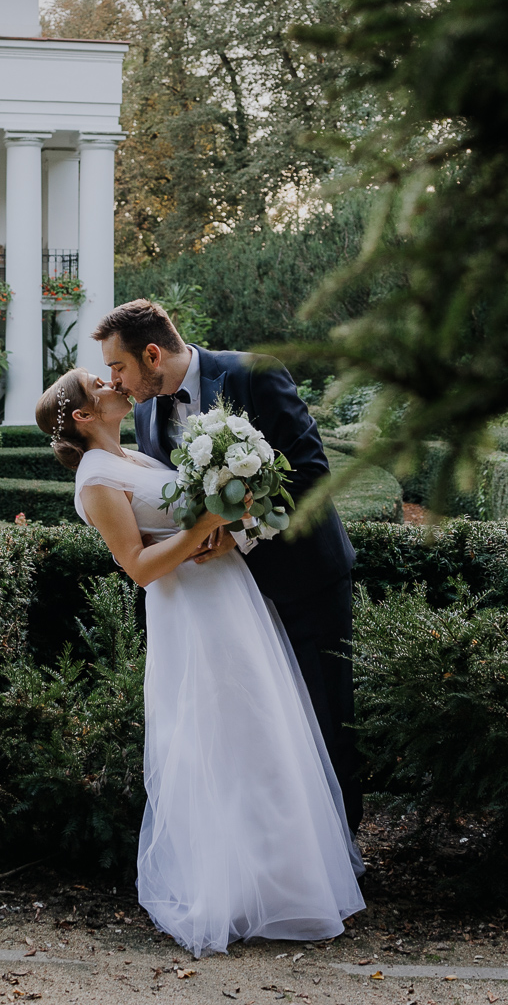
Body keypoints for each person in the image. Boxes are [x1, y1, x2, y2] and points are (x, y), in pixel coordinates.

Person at [37, 368, 364, 959]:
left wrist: (230, 520)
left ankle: (285, 882)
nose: (111, 383)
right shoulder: (95, 479)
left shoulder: (134, 455)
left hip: (230, 597)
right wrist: (208, 523)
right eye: (96, 383)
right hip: (190, 613)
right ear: (83, 416)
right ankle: (229, 891)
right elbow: (137, 566)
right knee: (219, 738)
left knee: (261, 732)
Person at [92, 299, 363, 832]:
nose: (114, 380)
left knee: (324, 715)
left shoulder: (252, 374)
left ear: (153, 355)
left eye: (118, 366)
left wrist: (236, 530)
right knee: (264, 728)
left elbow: (311, 474)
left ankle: (341, 848)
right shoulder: (145, 412)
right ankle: (282, 843)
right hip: (229, 599)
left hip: (303, 579)